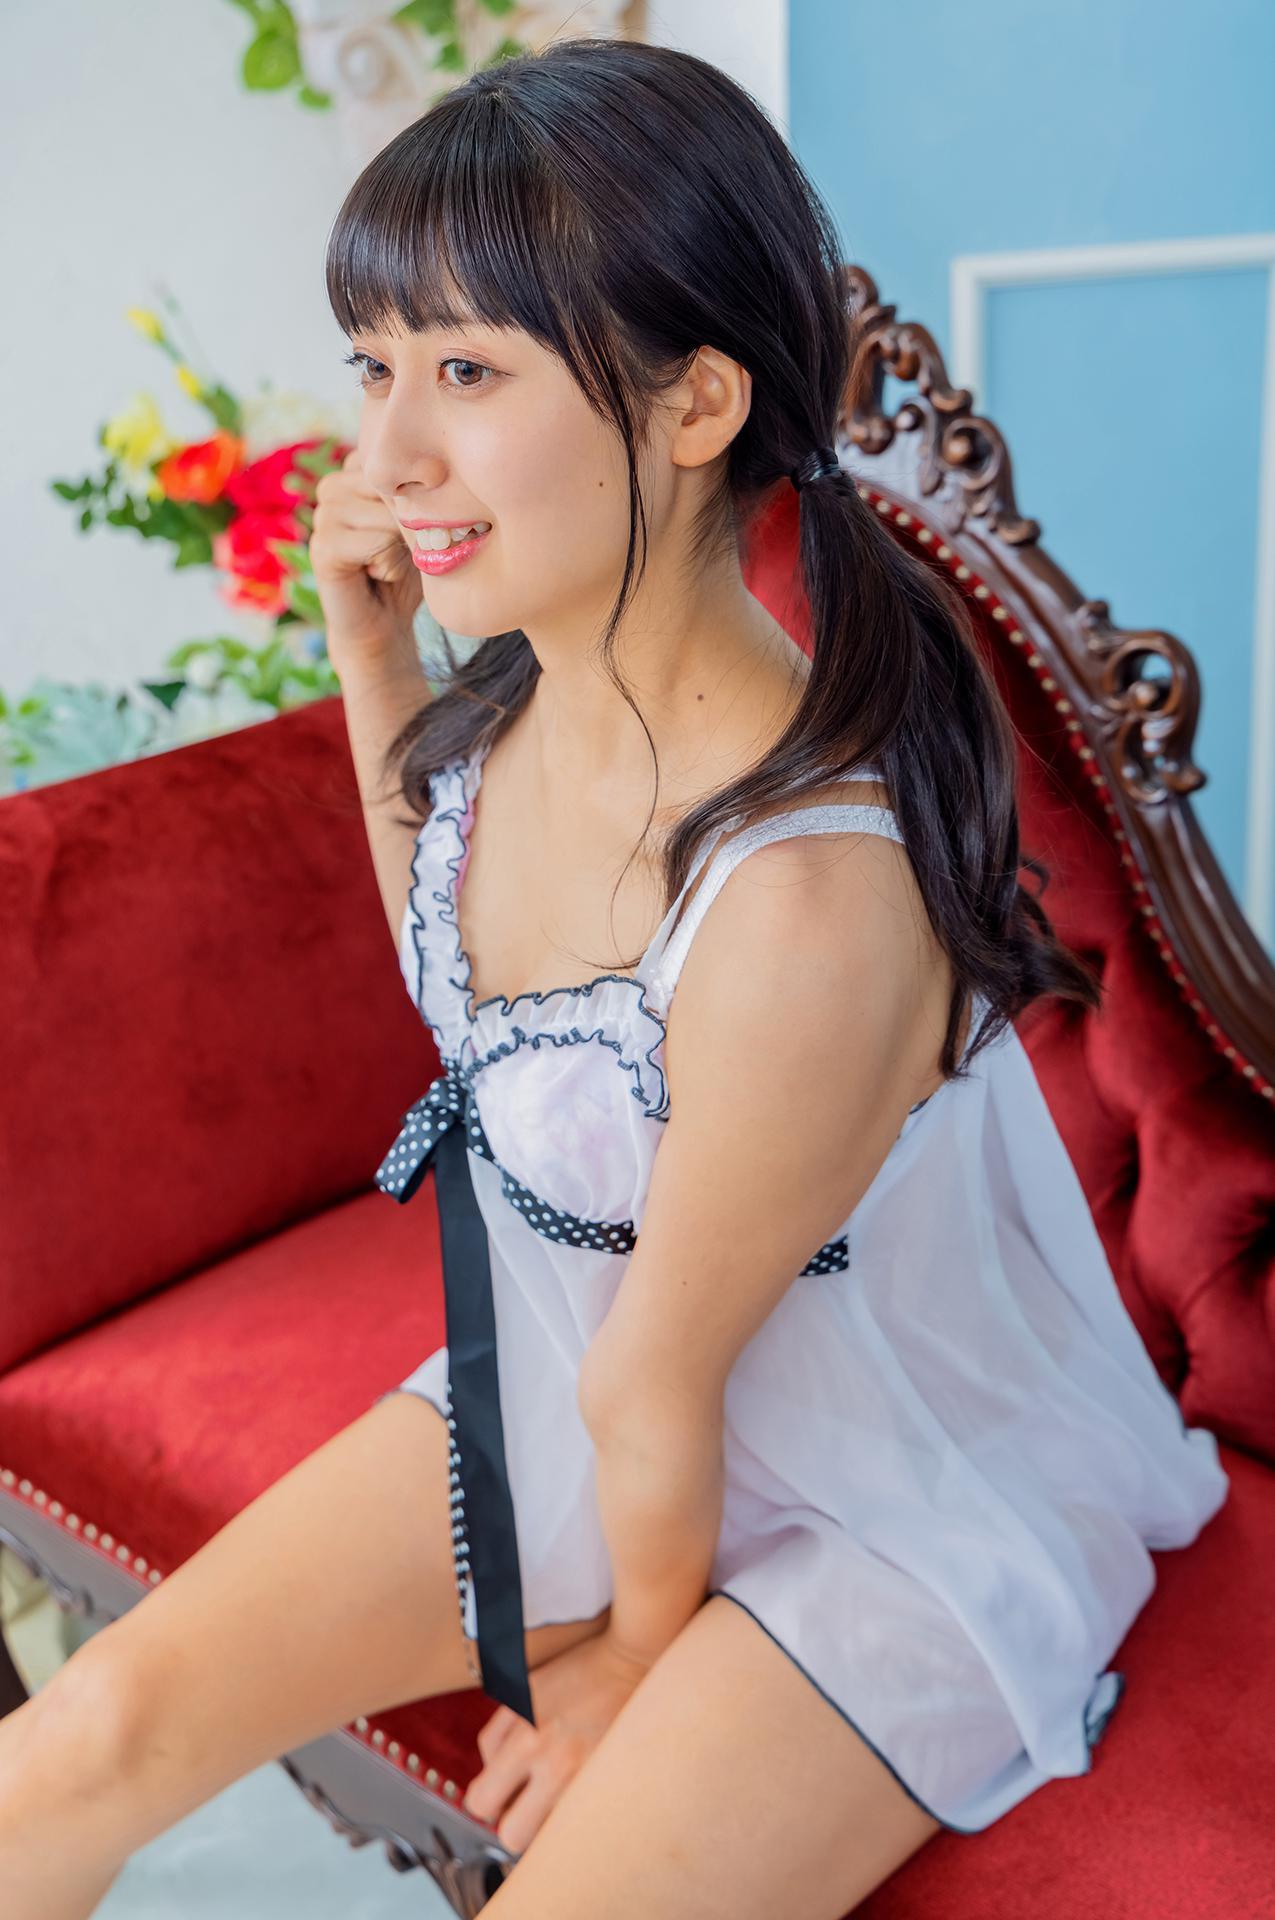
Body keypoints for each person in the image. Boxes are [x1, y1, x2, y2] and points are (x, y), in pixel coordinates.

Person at [0, 37, 1228, 1920]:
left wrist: (627, 1665)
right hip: (598, 1393)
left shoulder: (807, 897)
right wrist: (369, 653)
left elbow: (667, 1381)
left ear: (697, 401)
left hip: (881, 1490)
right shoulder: (515, 712)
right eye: (376, 367)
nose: (386, 457)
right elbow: (466, 988)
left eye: (467, 373)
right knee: (83, 1739)